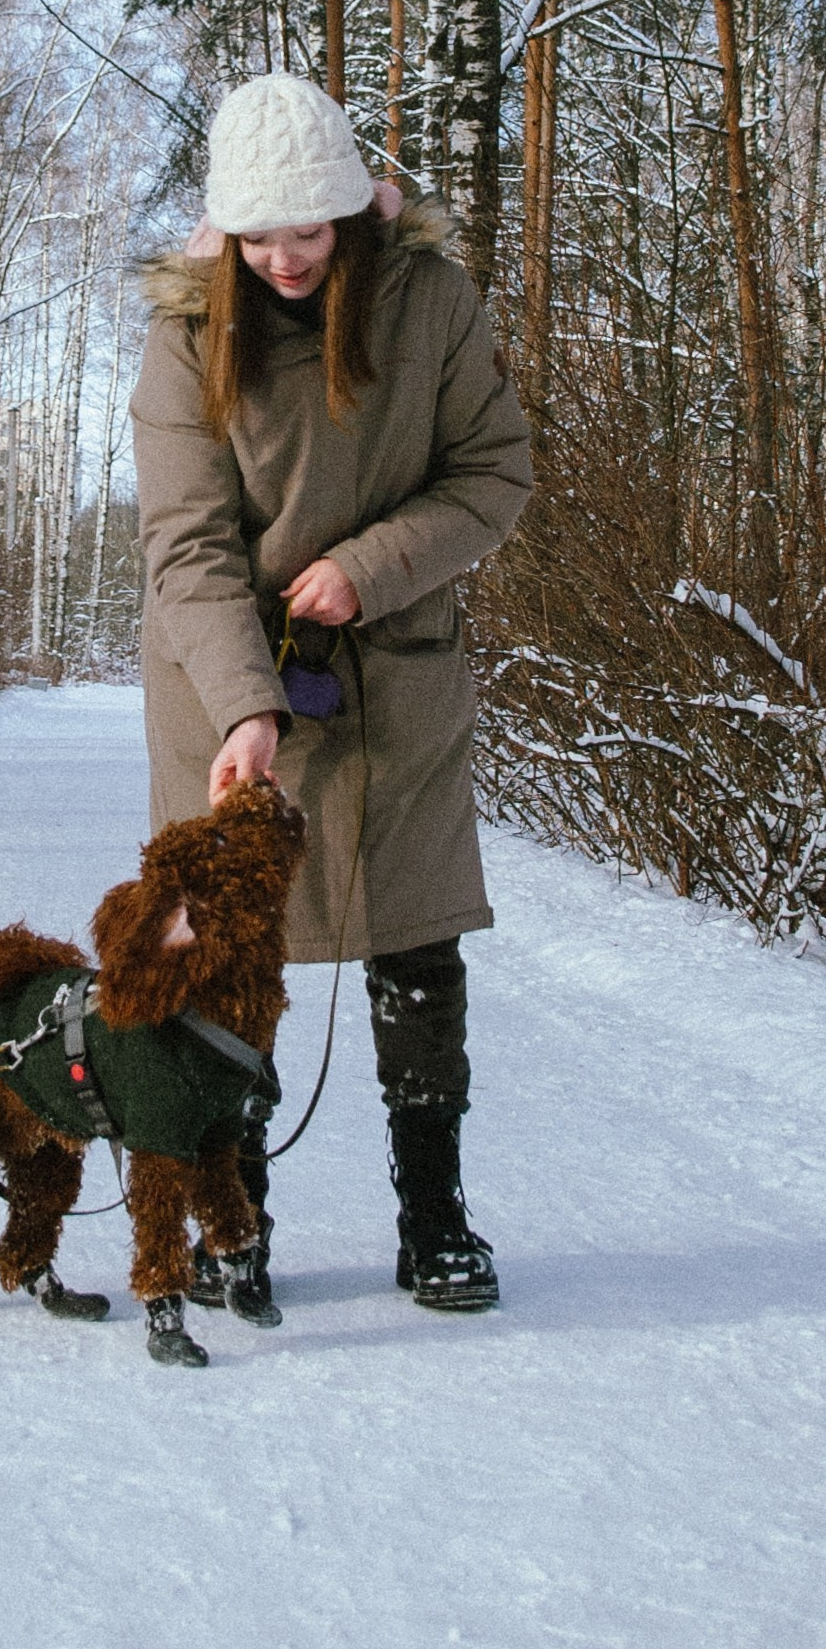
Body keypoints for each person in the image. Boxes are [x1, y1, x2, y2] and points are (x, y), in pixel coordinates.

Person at [131, 72, 534, 1319]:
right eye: (259, 235)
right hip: (225, 689)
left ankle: (436, 1218)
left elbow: (493, 475)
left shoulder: (431, 303)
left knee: (416, 938)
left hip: (397, 670)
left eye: (308, 230)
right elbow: (185, 547)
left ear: (353, 212)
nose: (286, 258)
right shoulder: (185, 336)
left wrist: (367, 571)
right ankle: (231, 1222)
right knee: (228, 959)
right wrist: (248, 703)